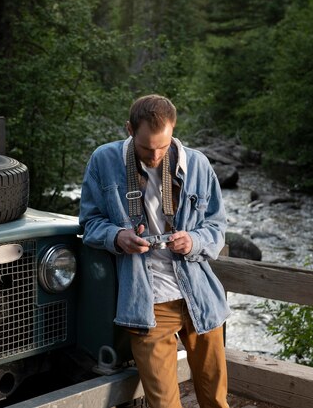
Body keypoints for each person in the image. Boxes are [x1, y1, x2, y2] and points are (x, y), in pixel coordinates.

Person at [79, 94, 230, 408]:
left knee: (216, 400)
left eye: (164, 146)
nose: (156, 155)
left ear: (174, 129)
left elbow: (216, 227)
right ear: (129, 130)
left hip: (200, 296)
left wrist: (195, 241)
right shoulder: (104, 161)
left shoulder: (198, 164)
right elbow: (90, 224)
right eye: (147, 147)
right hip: (147, 303)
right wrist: (117, 236)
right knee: (163, 404)